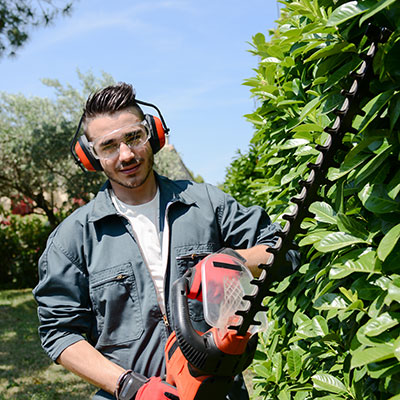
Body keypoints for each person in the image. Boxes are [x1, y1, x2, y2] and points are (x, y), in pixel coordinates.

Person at [33, 82, 280, 400]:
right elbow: (59, 332)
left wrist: (237, 261)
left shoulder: (206, 203)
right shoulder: (73, 239)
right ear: (90, 155)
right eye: (109, 146)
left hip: (217, 389)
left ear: (153, 133)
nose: (126, 155)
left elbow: (277, 246)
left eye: (134, 137)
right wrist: (129, 386)